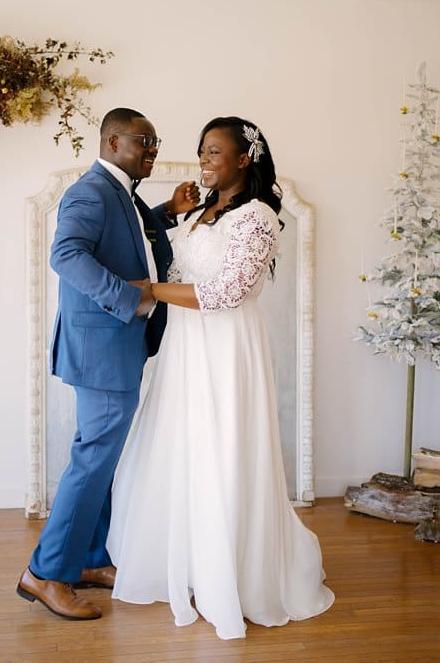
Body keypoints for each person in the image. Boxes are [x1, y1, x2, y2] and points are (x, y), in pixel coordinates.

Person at [106, 116, 334, 639]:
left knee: (222, 446)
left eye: (213, 152)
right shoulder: (201, 212)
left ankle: (231, 570)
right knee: (183, 446)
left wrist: (149, 290)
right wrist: (173, 214)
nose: (204, 159)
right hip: (186, 347)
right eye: (203, 150)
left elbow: (228, 292)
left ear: (243, 160)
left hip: (226, 347)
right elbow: (178, 263)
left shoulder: (257, 217)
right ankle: (186, 560)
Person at [17, 108, 199, 620]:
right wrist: (130, 299)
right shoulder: (91, 191)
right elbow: (67, 254)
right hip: (102, 348)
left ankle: (89, 560)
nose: (152, 151)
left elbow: (130, 240)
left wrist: (166, 210)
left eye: (156, 143)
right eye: (144, 142)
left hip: (114, 349)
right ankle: (45, 574)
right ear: (114, 140)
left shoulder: (122, 194)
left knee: (100, 457)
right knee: (92, 459)